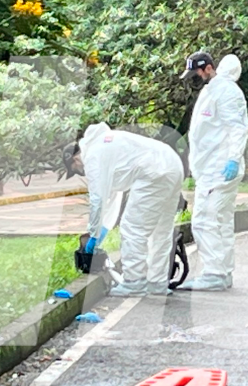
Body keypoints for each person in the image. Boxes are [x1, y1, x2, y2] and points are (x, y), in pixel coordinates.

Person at [63, 123, 184, 297]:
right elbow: (112, 198)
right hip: (172, 165)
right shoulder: (106, 146)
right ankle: (157, 282)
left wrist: (93, 235)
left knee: (132, 228)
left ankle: (134, 282)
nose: (80, 173)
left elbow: (97, 200)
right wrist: (101, 231)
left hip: (153, 173)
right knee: (161, 230)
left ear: (75, 159)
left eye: (75, 170)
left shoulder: (92, 157)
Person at [177, 51, 248, 292]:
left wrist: (233, 159)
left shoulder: (226, 92)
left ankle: (214, 273)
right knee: (221, 221)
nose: (193, 79)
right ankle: (223, 272)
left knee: (203, 221)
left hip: (219, 170)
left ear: (208, 68)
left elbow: (237, 128)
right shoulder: (212, 90)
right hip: (211, 169)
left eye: (195, 73)